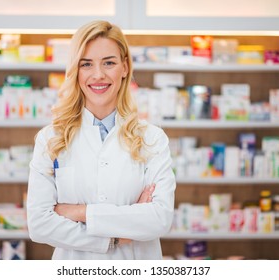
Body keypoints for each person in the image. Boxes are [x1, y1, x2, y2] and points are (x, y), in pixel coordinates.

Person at [27, 20, 176, 260]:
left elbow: (159, 219)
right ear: (76, 70)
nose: (98, 75)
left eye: (109, 62)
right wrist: (116, 236)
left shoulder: (152, 139)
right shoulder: (51, 139)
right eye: (86, 64)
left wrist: (78, 212)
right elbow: (39, 225)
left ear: (125, 67)